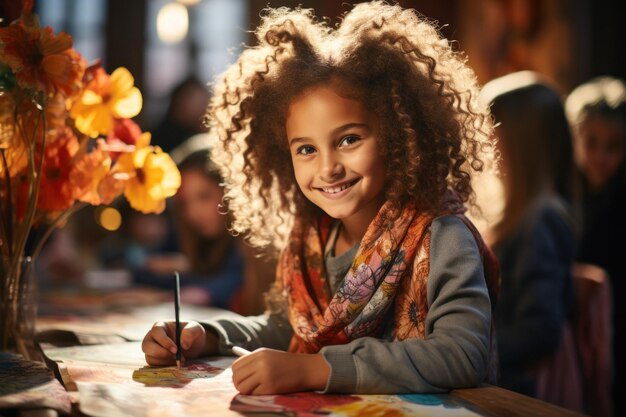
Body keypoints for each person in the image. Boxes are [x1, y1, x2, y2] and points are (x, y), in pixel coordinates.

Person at [142, 1, 500, 395]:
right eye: (306, 149)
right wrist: (205, 335)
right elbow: (286, 327)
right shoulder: (311, 237)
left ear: (399, 137)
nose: (328, 168)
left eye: (349, 140)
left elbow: (463, 354)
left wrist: (315, 370)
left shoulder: (443, 236)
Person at [479, 71, 582, 410]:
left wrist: (467, 348)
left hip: (519, 389)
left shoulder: (542, 219)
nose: (482, 144)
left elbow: (539, 329)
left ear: (519, 143)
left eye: (490, 133)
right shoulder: (518, 213)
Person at [134, 144, 276, 314]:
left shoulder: (254, 240)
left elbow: (226, 284)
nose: (193, 213)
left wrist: (165, 297)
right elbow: (149, 269)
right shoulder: (200, 240)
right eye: (184, 203)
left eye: (204, 196)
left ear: (230, 190)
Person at [565, 75, 626, 417]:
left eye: (613, 146)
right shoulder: (559, 196)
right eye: (591, 142)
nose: (601, 156)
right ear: (573, 137)